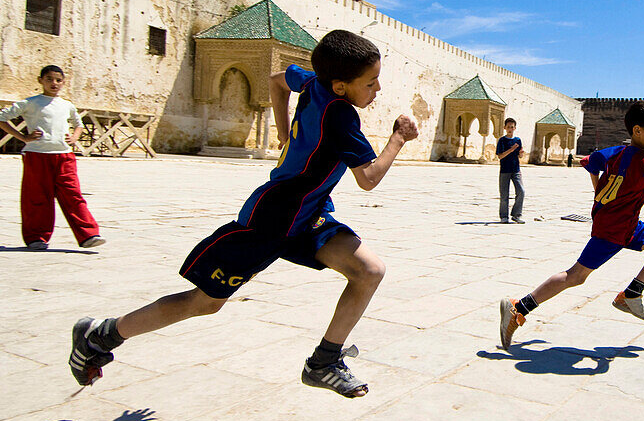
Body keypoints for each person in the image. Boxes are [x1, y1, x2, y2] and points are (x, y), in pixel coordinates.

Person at [67, 30, 419, 398]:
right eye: (371, 82)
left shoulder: (314, 82)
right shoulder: (342, 117)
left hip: (308, 215)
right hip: (271, 219)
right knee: (204, 303)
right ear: (342, 86)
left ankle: (324, 362)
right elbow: (368, 177)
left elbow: (277, 80)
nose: (377, 89)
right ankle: (102, 334)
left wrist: (284, 131)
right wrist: (397, 138)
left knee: (368, 271)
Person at [498, 101, 644, 349]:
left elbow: (588, 162)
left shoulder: (615, 151)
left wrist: (599, 190)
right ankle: (518, 308)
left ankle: (631, 294)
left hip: (625, 224)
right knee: (575, 276)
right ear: (637, 130)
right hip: (614, 231)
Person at [0, 65, 105, 250]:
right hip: (37, 155)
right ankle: (36, 238)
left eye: (58, 80)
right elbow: (2, 118)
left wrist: (74, 137)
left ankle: (89, 234)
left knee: (73, 195)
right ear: (40, 81)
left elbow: (78, 124)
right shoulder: (31, 102)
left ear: (63, 82)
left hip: (64, 157)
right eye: (49, 79)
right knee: (37, 197)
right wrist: (23, 137)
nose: (54, 83)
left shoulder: (66, 105)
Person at [496, 117, 525, 223]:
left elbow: (519, 156)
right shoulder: (502, 141)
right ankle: (504, 216)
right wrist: (511, 149)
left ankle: (516, 215)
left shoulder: (518, 140)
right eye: (508, 127)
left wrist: (521, 154)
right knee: (504, 194)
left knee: (521, 191)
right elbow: (500, 156)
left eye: (512, 127)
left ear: (515, 128)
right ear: (504, 128)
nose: (510, 129)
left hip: (516, 169)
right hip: (505, 170)